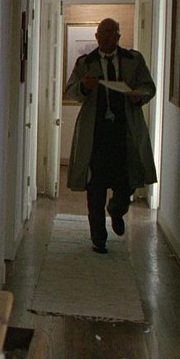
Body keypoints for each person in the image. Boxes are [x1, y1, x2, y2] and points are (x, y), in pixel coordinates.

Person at [64, 18, 157, 254]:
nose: (106, 36)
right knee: (95, 188)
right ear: (96, 36)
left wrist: (140, 95)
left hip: (125, 133)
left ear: (118, 36)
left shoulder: (133, 60)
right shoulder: (86, 62)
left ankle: (116, 209)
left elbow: (149, 86)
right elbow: (71, 90)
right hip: (95, 134)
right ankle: (98, 238)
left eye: (111, 32)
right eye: (102, 32)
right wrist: (85, 87)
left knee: (126, 183)